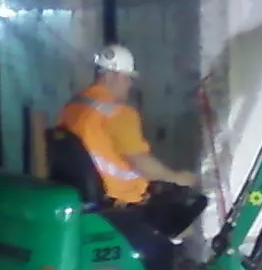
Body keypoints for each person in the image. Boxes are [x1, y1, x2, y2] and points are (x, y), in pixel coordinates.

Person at [57, 44, 208, 240]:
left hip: (83, 193)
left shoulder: (74, 105)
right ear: (112, 75)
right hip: (119, 200)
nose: (129, 84)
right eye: (127, 77)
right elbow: (141, 162)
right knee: (184, 217)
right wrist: (177, 177)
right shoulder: (118, 112)